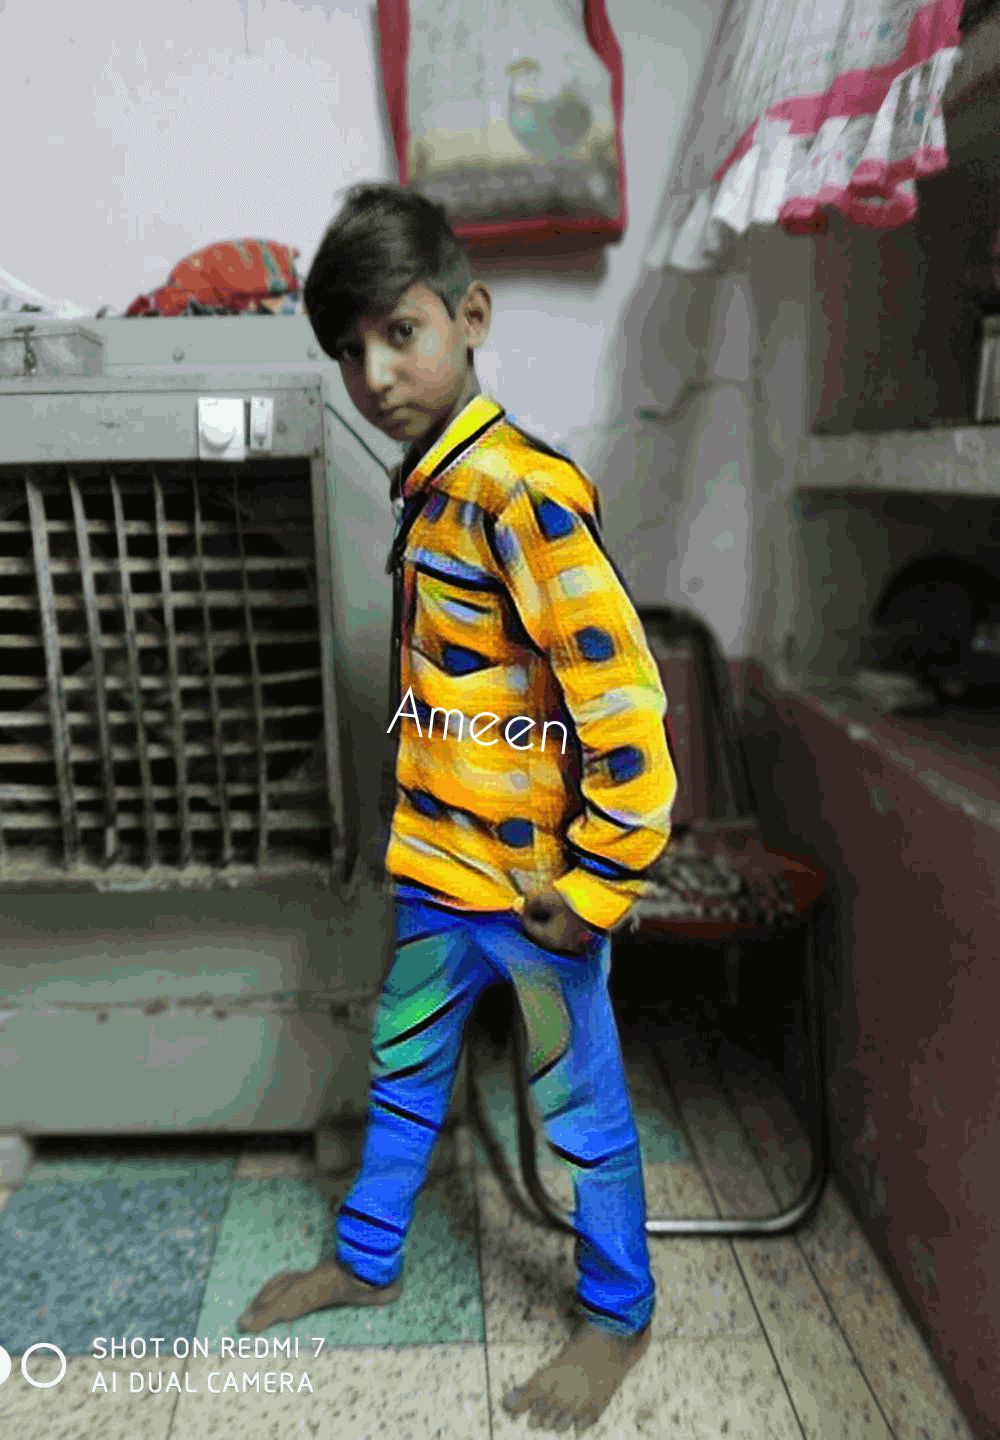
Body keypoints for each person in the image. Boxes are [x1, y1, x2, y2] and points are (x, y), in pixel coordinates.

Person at [238, 182, 677, 1433]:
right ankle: (366, 1262)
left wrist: (598, 884)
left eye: (401, 333)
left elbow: (625, 706)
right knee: (403, 1075)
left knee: (581, 1112)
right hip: (438, 879)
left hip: (535, 900)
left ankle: (618, 1315)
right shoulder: (431, 490)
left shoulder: (518, 491)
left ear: (469, 317)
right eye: (349, 349)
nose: (374, 374)